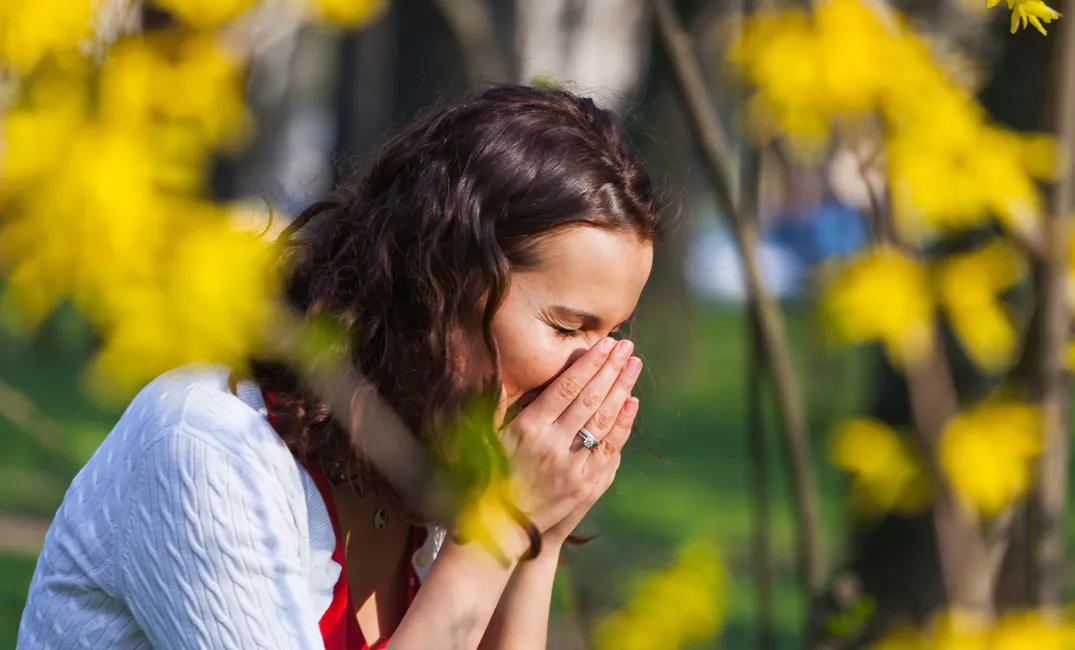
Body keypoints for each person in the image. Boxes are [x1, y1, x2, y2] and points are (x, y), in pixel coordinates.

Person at [17, 85, 660, 650]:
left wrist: (535, 541)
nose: (599, 367)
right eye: (569, 327)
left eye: (612, 333)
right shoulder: (207, 445)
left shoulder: (441, 463)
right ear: (438, 287)